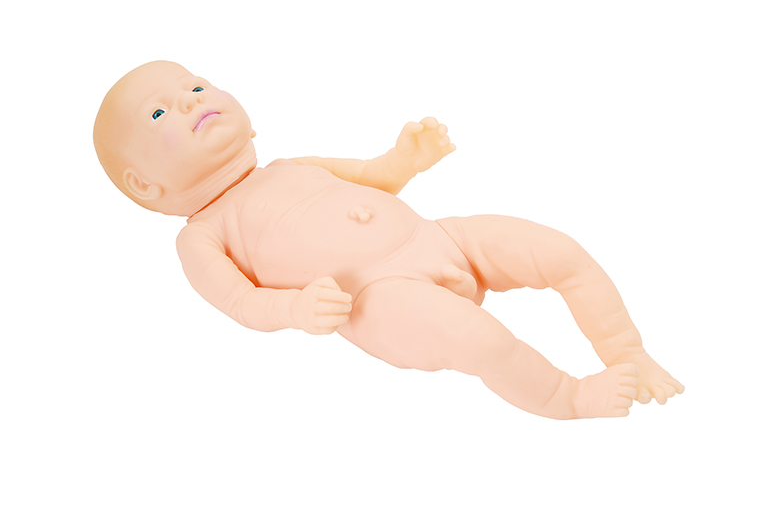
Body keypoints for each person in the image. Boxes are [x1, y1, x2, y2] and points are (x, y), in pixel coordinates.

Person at [93, 60, 684, 419]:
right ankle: (570, 398)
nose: (190, 102)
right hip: (378, 298)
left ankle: (628, 353)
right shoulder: (202, 235)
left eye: (196, 87)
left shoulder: (292, 164)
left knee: (558, 251)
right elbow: (241, 303)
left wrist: (406, 159)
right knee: (478, 338)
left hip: (438, 237)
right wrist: (296, 309)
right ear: (144, 185)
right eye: (159, 114)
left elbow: (375, 177)